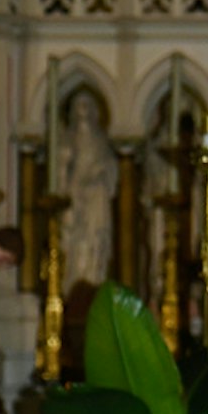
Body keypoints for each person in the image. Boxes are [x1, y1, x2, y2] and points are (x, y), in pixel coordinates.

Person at [60, 87, 117, 292]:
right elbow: (58, 174)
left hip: (96, 200)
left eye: (87, 105)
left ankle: (94, 278)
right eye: (79, 105)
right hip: (74, 199)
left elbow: (111, 169)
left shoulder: (101, 140)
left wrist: (101, 175)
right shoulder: (66, 139)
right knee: (74, 245)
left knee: (95, 242)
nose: (82, 110)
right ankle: (72, 284)